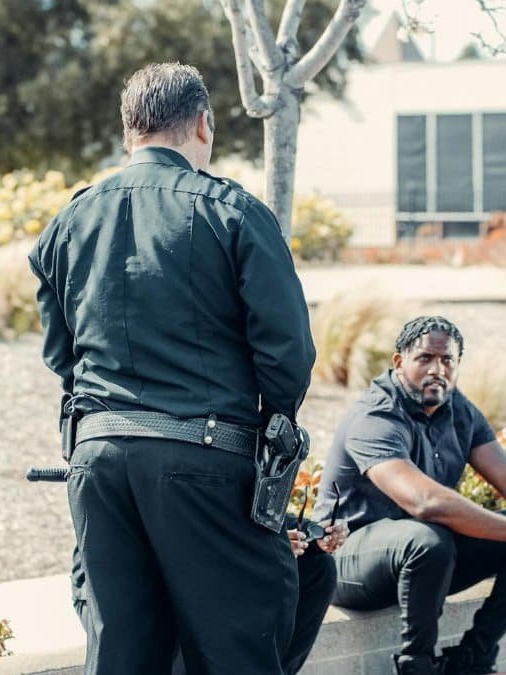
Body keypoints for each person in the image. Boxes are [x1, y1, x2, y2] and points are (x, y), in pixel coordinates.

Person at [29, 62, 316, 674]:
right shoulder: (233, 211)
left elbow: (59, 352)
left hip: (99, 461)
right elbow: (286, 351)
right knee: (238, 651)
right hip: (205, 460)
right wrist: (273, 423)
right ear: (203, 125)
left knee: (121, 654)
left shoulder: (71, 219)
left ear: (129, 130)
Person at [313, 316, 506, 675]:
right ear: (399, 362)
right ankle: (417, 666)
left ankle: (472, 658)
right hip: (348, 562)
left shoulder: (458, 409)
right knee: (430, 539)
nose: (437, 370)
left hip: (425, 561)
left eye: (447, 360)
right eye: (425, 358)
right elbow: (426, 503)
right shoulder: (376, 415)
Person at [71, 513, 349, 675]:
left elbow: (239, 509)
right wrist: (257, 546)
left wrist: (312, 532)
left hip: (198, 564)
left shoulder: (231, 443)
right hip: (120, 583)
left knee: (316, 568)